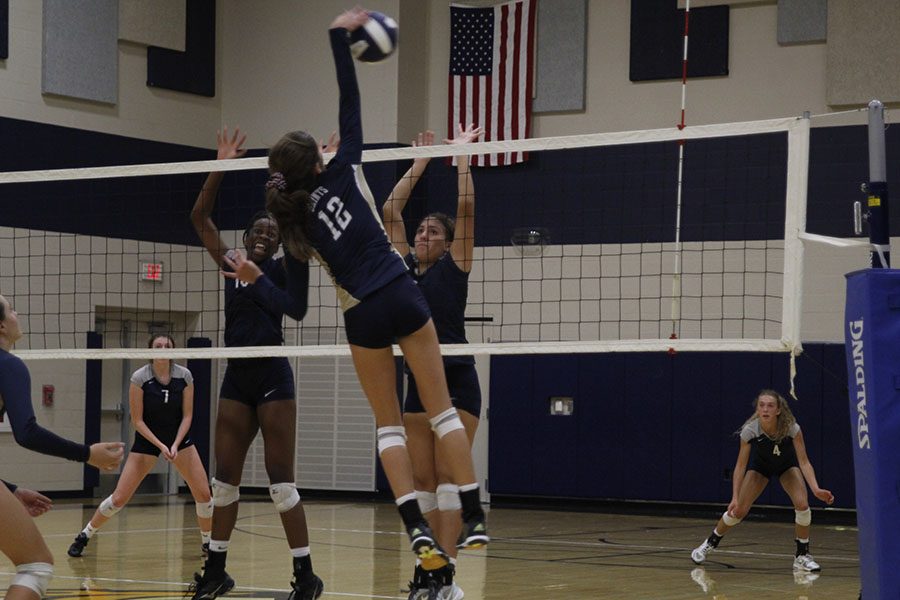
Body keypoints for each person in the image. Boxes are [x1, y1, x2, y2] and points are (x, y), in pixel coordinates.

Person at [264, 6, 489, 581]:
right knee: (440, 415)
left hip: (361, 312)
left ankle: (415, 527)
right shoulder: (345, 170)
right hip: (400, 291)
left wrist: (255, 278)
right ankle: (474, 512)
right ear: (320, 158)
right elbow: (350, 98)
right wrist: (340, 38)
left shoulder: (294, 228)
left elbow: (296, 305)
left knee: (389, 427)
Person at [188, 128, 322, 600]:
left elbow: (294, 289)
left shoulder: (284, 269)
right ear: (245, 239)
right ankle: (217, 571)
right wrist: (221, 163)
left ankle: (306, 576)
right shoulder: (231, 263)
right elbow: (199, 216)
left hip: (272, 376)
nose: (265, 235)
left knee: (281, 485)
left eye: (271, 232)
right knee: (223, 482)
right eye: (258, 231)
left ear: (278, 241)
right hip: (237, 377)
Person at [382, 126, 483, 600]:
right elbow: (390, 210)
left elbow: (465, 210)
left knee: (447, 482)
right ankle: (426, 573)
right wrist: (419, 163)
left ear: (446, 244)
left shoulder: (455, 265)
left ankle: (447, 578)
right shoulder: (402, 272)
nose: (423, 235)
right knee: (421, 483)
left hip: (457, 380)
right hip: (416, 384)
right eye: (421, 230)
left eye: (432, 232)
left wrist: (459, 159)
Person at [0, 293, 124, 600]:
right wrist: (88, 454)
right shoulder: (8, 365)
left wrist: (11, 490)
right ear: (1, 326)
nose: (17, 314)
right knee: (36, 566)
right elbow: (26, 433)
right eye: (11, 310)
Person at [67, 334, 212, 558]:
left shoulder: (185, 376)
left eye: (167, 346)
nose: (163, 349)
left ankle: (207, 545)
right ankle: (85, 535)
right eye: (158, 346)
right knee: (119, 498)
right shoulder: (140, 377)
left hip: (179, 441)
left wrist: (173, 444)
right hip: (148, 440)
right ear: (150, 351)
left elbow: (188, 416)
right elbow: (137, 421)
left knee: (204, 494)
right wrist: (161, 445)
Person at [690, 389, 834, 572]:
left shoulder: (792, 428)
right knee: (738, 511)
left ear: (778, 410)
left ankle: (802, 556)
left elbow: (804, 462)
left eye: (770, 405)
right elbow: (740, 467)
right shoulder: (750, 431)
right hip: (761, 468)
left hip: (787, 467)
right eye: (762, 405)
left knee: (803, 505)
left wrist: (816, 489)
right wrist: (734, 497)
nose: (765, 409)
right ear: (758, 409)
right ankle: (709, 543)